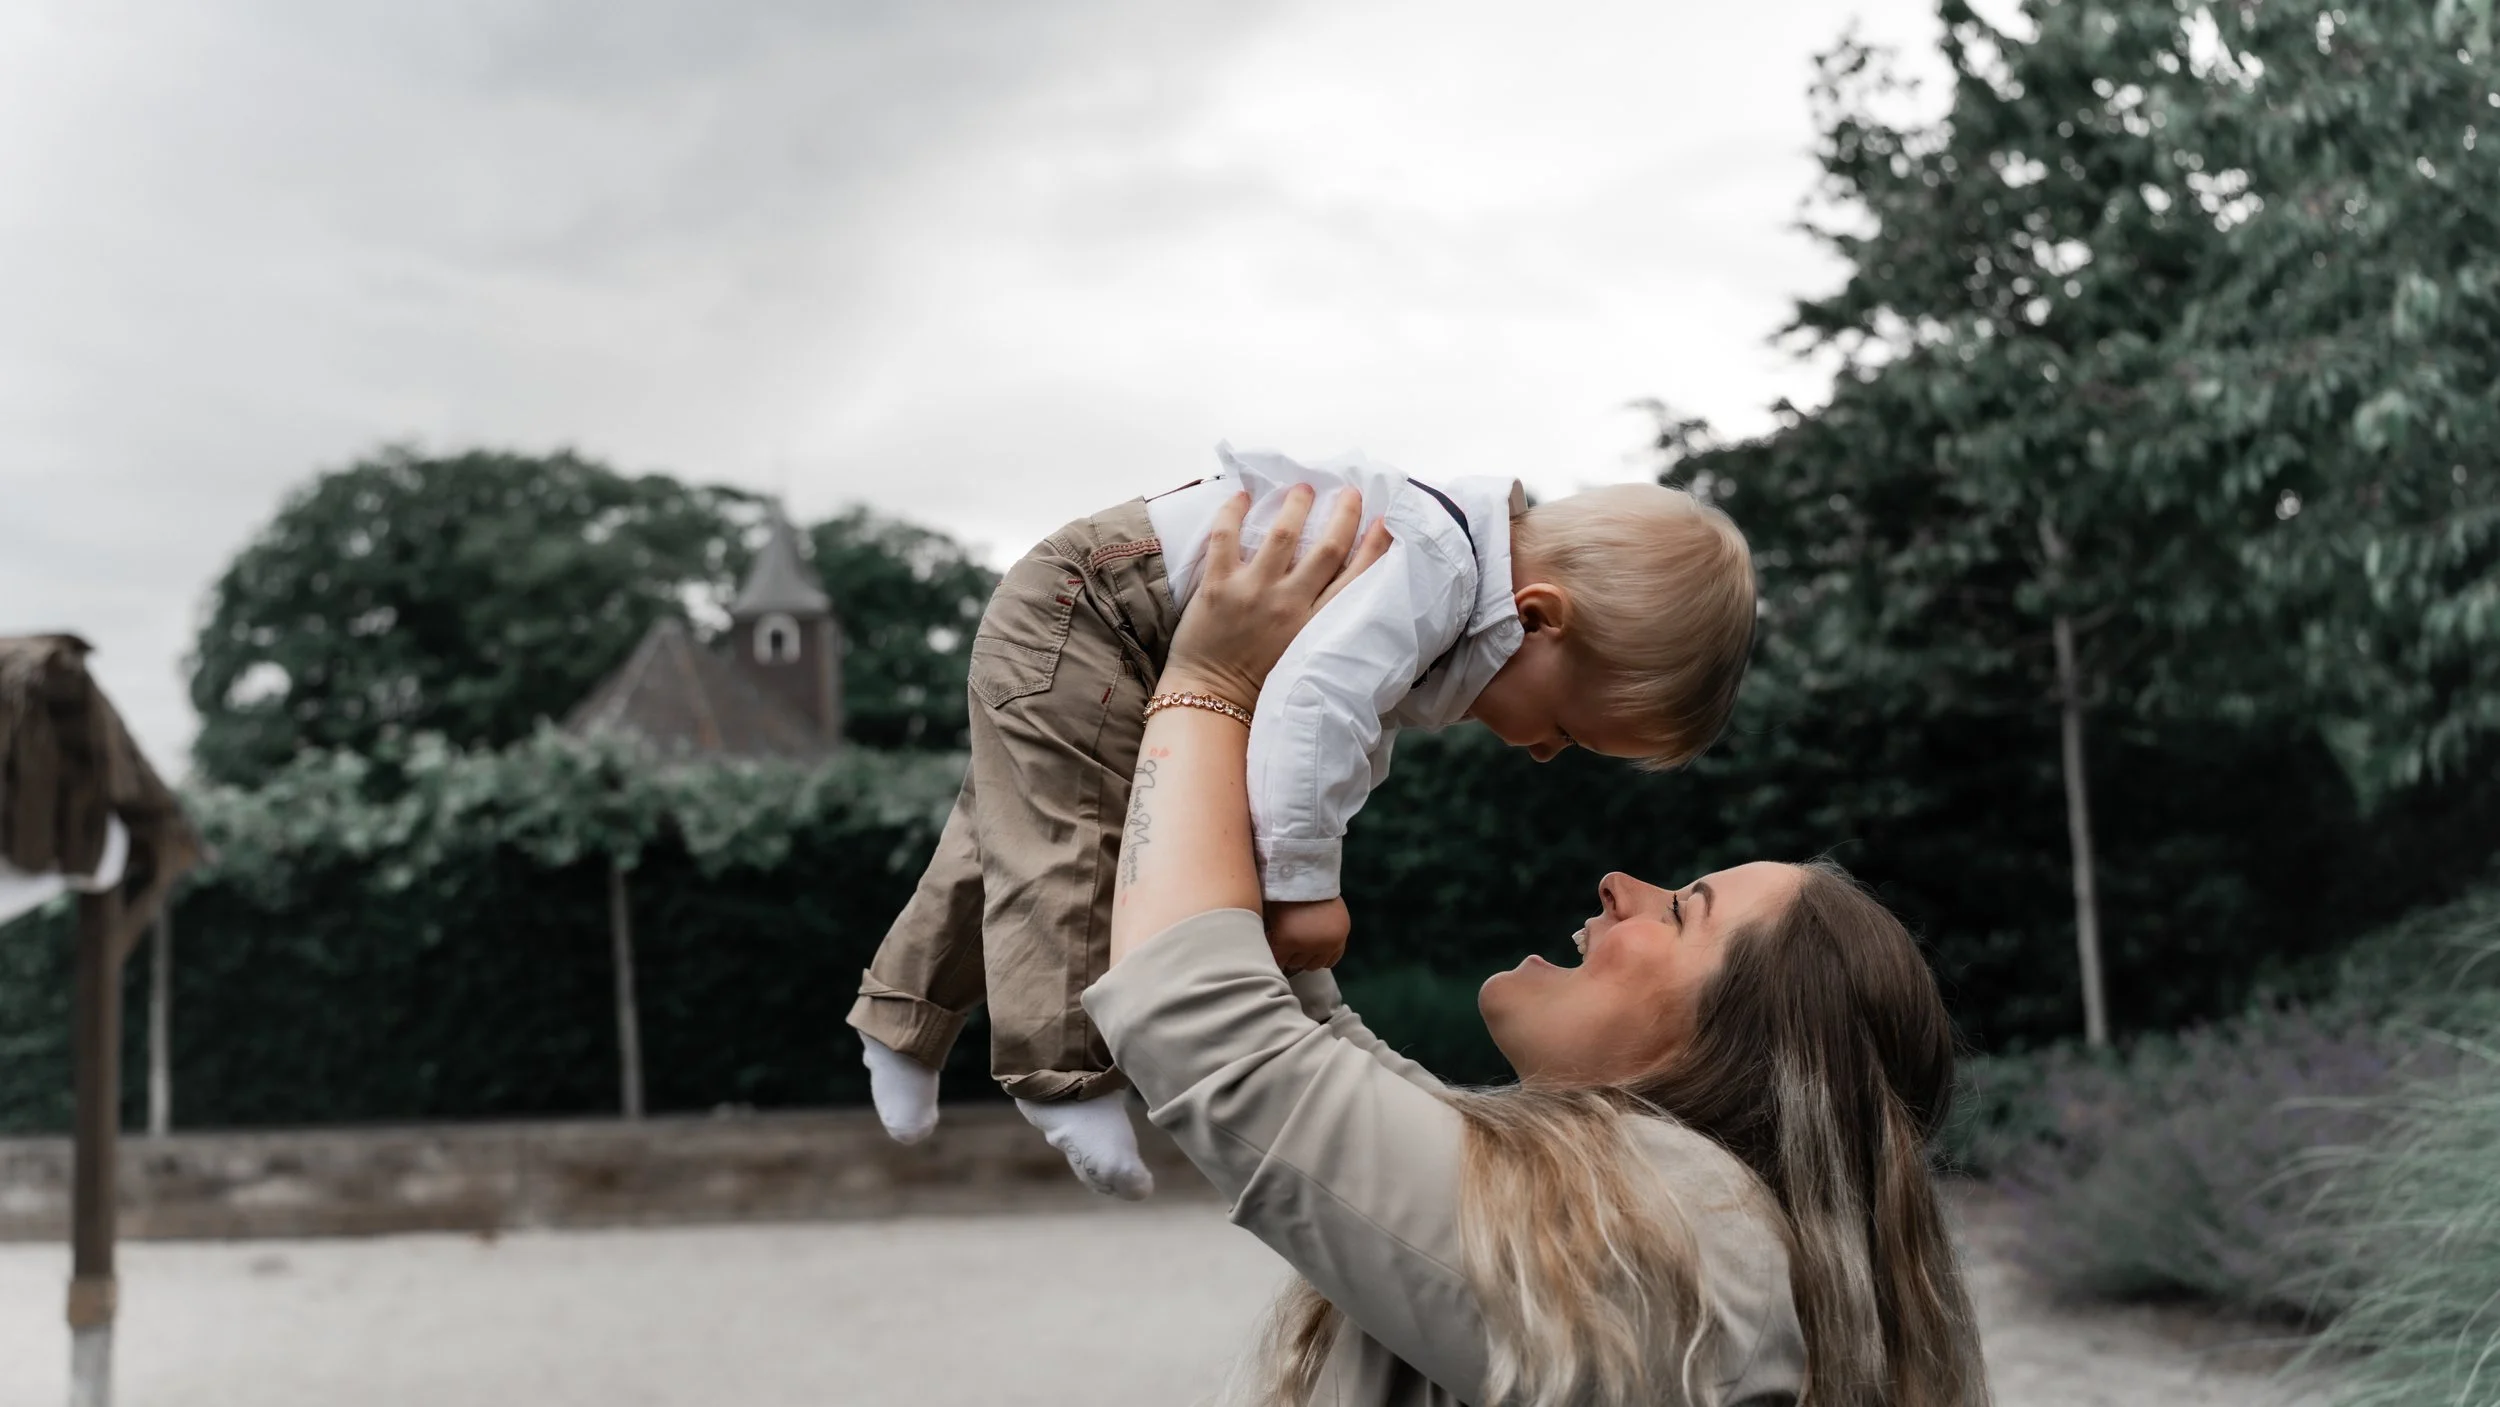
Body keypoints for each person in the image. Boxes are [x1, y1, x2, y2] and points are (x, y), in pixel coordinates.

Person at [1087, 489, 1990, 1406]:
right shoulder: (1660, 1212)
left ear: (1750, 1051)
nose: (1620, 884)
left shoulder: (1683, 1232)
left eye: (1681, 911)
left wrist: (1213, 678)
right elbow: (1290, 1029)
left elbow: (1200, 1021)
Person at [848, 448, 1757, 1199]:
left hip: (1086, 605)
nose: (1545, 752)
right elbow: (1314, 706)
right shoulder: (1435, 573)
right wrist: (1300, 884)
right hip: (1097, 613)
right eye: (1566, 730)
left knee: (1000, 838)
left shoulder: (1454, 579)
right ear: (1538, 618)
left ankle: (901, 1021)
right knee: (1077, 842)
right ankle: (1061, 1077)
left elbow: (1350, 733)